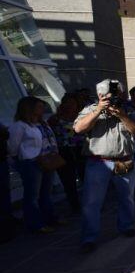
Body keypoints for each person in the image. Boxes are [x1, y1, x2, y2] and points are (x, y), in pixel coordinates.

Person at [74, 80, 135, 251]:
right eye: (110, 95)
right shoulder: (90, 110)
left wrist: (122, 115)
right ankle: (89, 238)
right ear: (100, 96)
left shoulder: (128, 110)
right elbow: (79, 129)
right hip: (99, 163)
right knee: (92, 202)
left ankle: (126, 226)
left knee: (127, 199)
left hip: (124, 161)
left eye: (118, 94)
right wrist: (98, 111)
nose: (114, 98)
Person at [8, 97, 58, 233]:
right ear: (29, 108)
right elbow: (12, 147)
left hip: (47, 160)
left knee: (46, 193)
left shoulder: (41, 123)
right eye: (39, 107)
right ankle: (35, 224)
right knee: (32, 196)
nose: (42, 109)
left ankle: (50, 218)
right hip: (31, 163)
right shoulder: (19, 126)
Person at [47, 93, 84, 214]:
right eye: (66, 103)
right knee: (68, 180)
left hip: (81, 150)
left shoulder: (82, 116)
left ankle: (90, 201)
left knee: (86, 177)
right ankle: (75, 205)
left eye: (72, 103)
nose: (69, 106)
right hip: (64, 151)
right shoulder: (54, 119)